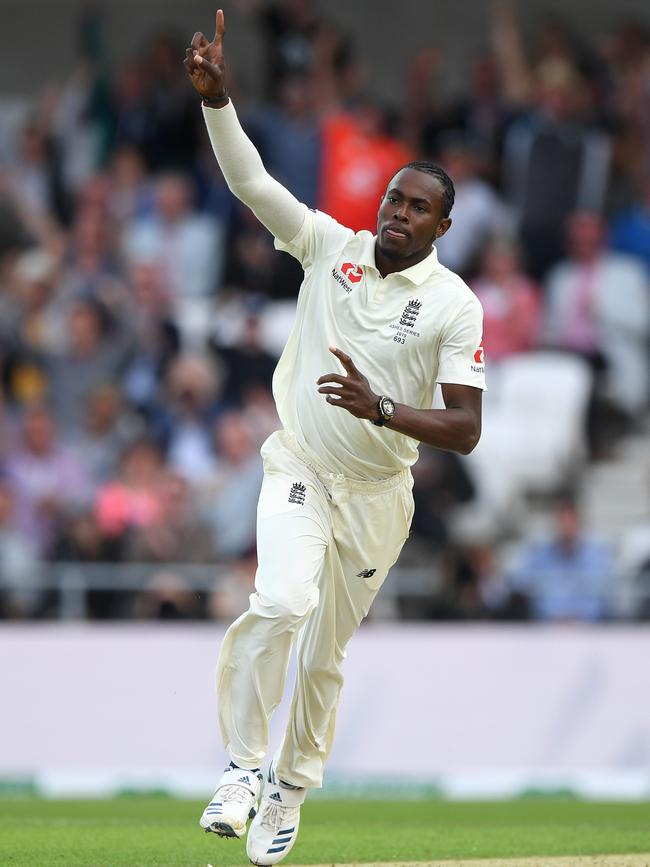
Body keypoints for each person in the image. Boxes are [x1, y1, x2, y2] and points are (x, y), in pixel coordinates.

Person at [184, 11, 485, 866]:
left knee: (324, 653)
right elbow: (253, 185)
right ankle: (243, 767)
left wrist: (380, 409)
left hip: (379, 496)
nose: (398, 213)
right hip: (301, 465)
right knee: (278, 602)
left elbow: (465, 428)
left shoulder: (455, 304)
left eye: (418, 207)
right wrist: (220, 104)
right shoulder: (330, 248)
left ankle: (290, 786)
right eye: (394, 197)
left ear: (441, 228)